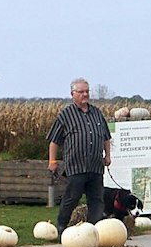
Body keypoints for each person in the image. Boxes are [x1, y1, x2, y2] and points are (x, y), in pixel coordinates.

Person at [48, 78, 112, 233]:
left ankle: (94, 230)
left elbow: (106, 137)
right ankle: (62, 227)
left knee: (97, 200)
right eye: (81, 92)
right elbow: (54, 141)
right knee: (71, 198)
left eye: (87, 91)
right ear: (73, 94)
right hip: (76, 166)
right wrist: (52, 161)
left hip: (95, 165)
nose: (85, 94)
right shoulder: (65, 115)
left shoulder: (97, 113)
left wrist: (108, 156)